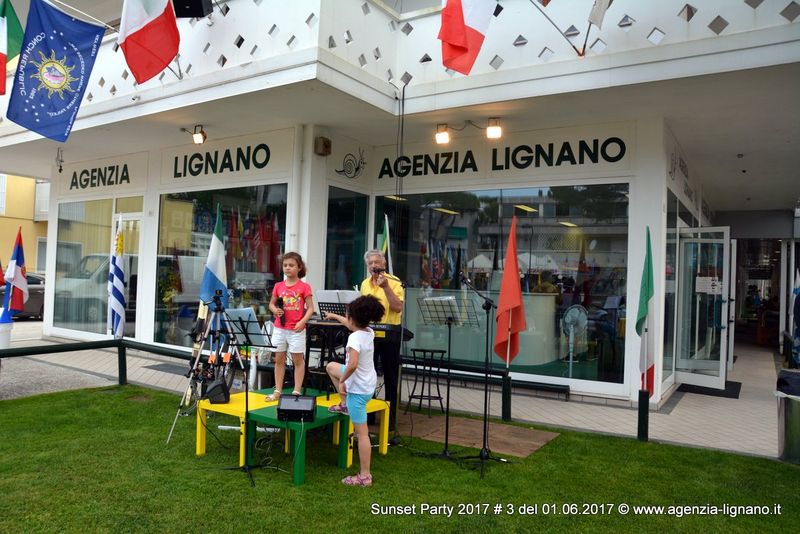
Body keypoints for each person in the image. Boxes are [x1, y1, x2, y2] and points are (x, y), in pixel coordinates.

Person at [323, 295, 386, 486]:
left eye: (347, 315)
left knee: (362, 435)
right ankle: (344, 404)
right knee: (331, 366)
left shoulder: (354, 338)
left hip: (357, 391)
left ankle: (365, 476)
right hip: (367, 383)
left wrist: (343, 382)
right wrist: (334, 316)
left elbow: (352, 365)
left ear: (353, 318)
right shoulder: (368, 331)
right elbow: (350, 324)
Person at [360, 250, 404, 431]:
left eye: (376, 262)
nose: (373, 265)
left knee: (390, 376)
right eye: (370, 263)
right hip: (369, 334)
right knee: (367, 375)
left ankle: (390, 420)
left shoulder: (394, 281)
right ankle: (369, 416)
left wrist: (386, 287)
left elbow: (398, 307)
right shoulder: (365, 284)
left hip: (390, 334)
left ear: (384, 264)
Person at [265, 252, 314, 401]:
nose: (287, 268)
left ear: (299, 267)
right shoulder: (278, 286)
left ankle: (296, 391)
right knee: (279, 359)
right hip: (280, 328)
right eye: (285, 265)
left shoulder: (304, 287)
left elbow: (310, 308)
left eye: (291, 265)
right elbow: (271, 304)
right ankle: (278, 391)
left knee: (297, 360)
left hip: (296, 329)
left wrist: (302, 322)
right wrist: (275, 310)